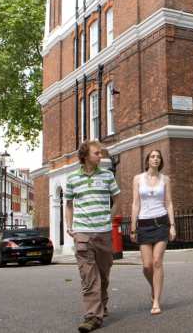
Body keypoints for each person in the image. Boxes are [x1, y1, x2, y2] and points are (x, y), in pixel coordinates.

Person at [65, 140, 121, 332]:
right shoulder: (72, 178)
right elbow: (69, 204)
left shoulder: (107, 176)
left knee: (103, 276)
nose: (101, 156)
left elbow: (117, 200)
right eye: (97, 153)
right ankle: (92, 317)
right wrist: (70, 226)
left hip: (103, 233)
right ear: (86, 156)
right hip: (82, 234)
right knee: (89, 277)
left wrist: (109, 217)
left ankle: (101, 306)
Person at [130, 149, 176, 315]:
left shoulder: (165, 179)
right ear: (147, 160)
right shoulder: (138, 179)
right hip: (143, 225)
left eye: (158, 157)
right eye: (152, 157)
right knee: (146, 266)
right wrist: (133, 227)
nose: (155, 159)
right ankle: (154, 287)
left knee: (157, 262)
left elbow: (169, 203)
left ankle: (156, 300)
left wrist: (172, 225)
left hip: (161, 223)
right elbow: (135, 204)